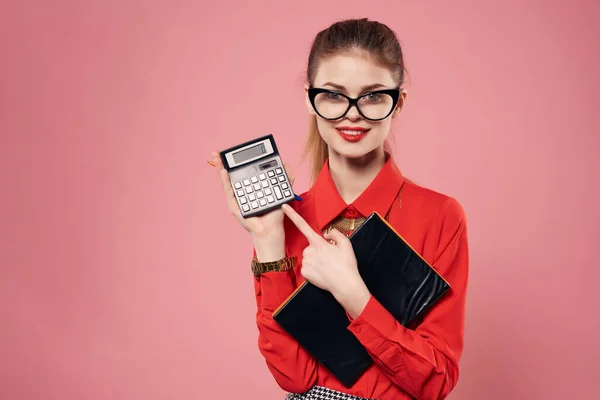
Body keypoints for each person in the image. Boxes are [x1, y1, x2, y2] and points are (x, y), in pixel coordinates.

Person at [211, 18, 469, 400]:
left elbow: (435, 381)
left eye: (373, 96)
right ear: (309, 99)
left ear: (398, 102)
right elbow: (295, 378)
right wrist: (268, 242)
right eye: (333, 95)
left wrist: (353, 294)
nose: (352, 113)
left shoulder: (440, 216)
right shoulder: (286, 221)